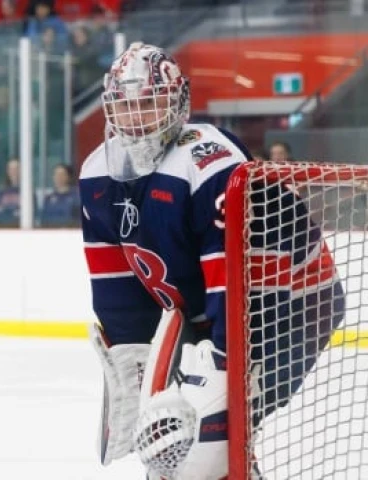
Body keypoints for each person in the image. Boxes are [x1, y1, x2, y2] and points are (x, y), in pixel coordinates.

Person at [79, 42, 345, 479]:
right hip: (201, 314)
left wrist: (225, 364)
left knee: (202, 450)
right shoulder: (97, 173)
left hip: (289, 301)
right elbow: (116, 283)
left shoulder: (208, 158)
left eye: (150, 104)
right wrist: (133, 357)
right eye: (125, 107)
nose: (137, 119)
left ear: (178, 103)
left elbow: (229, 278)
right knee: (170, 445)